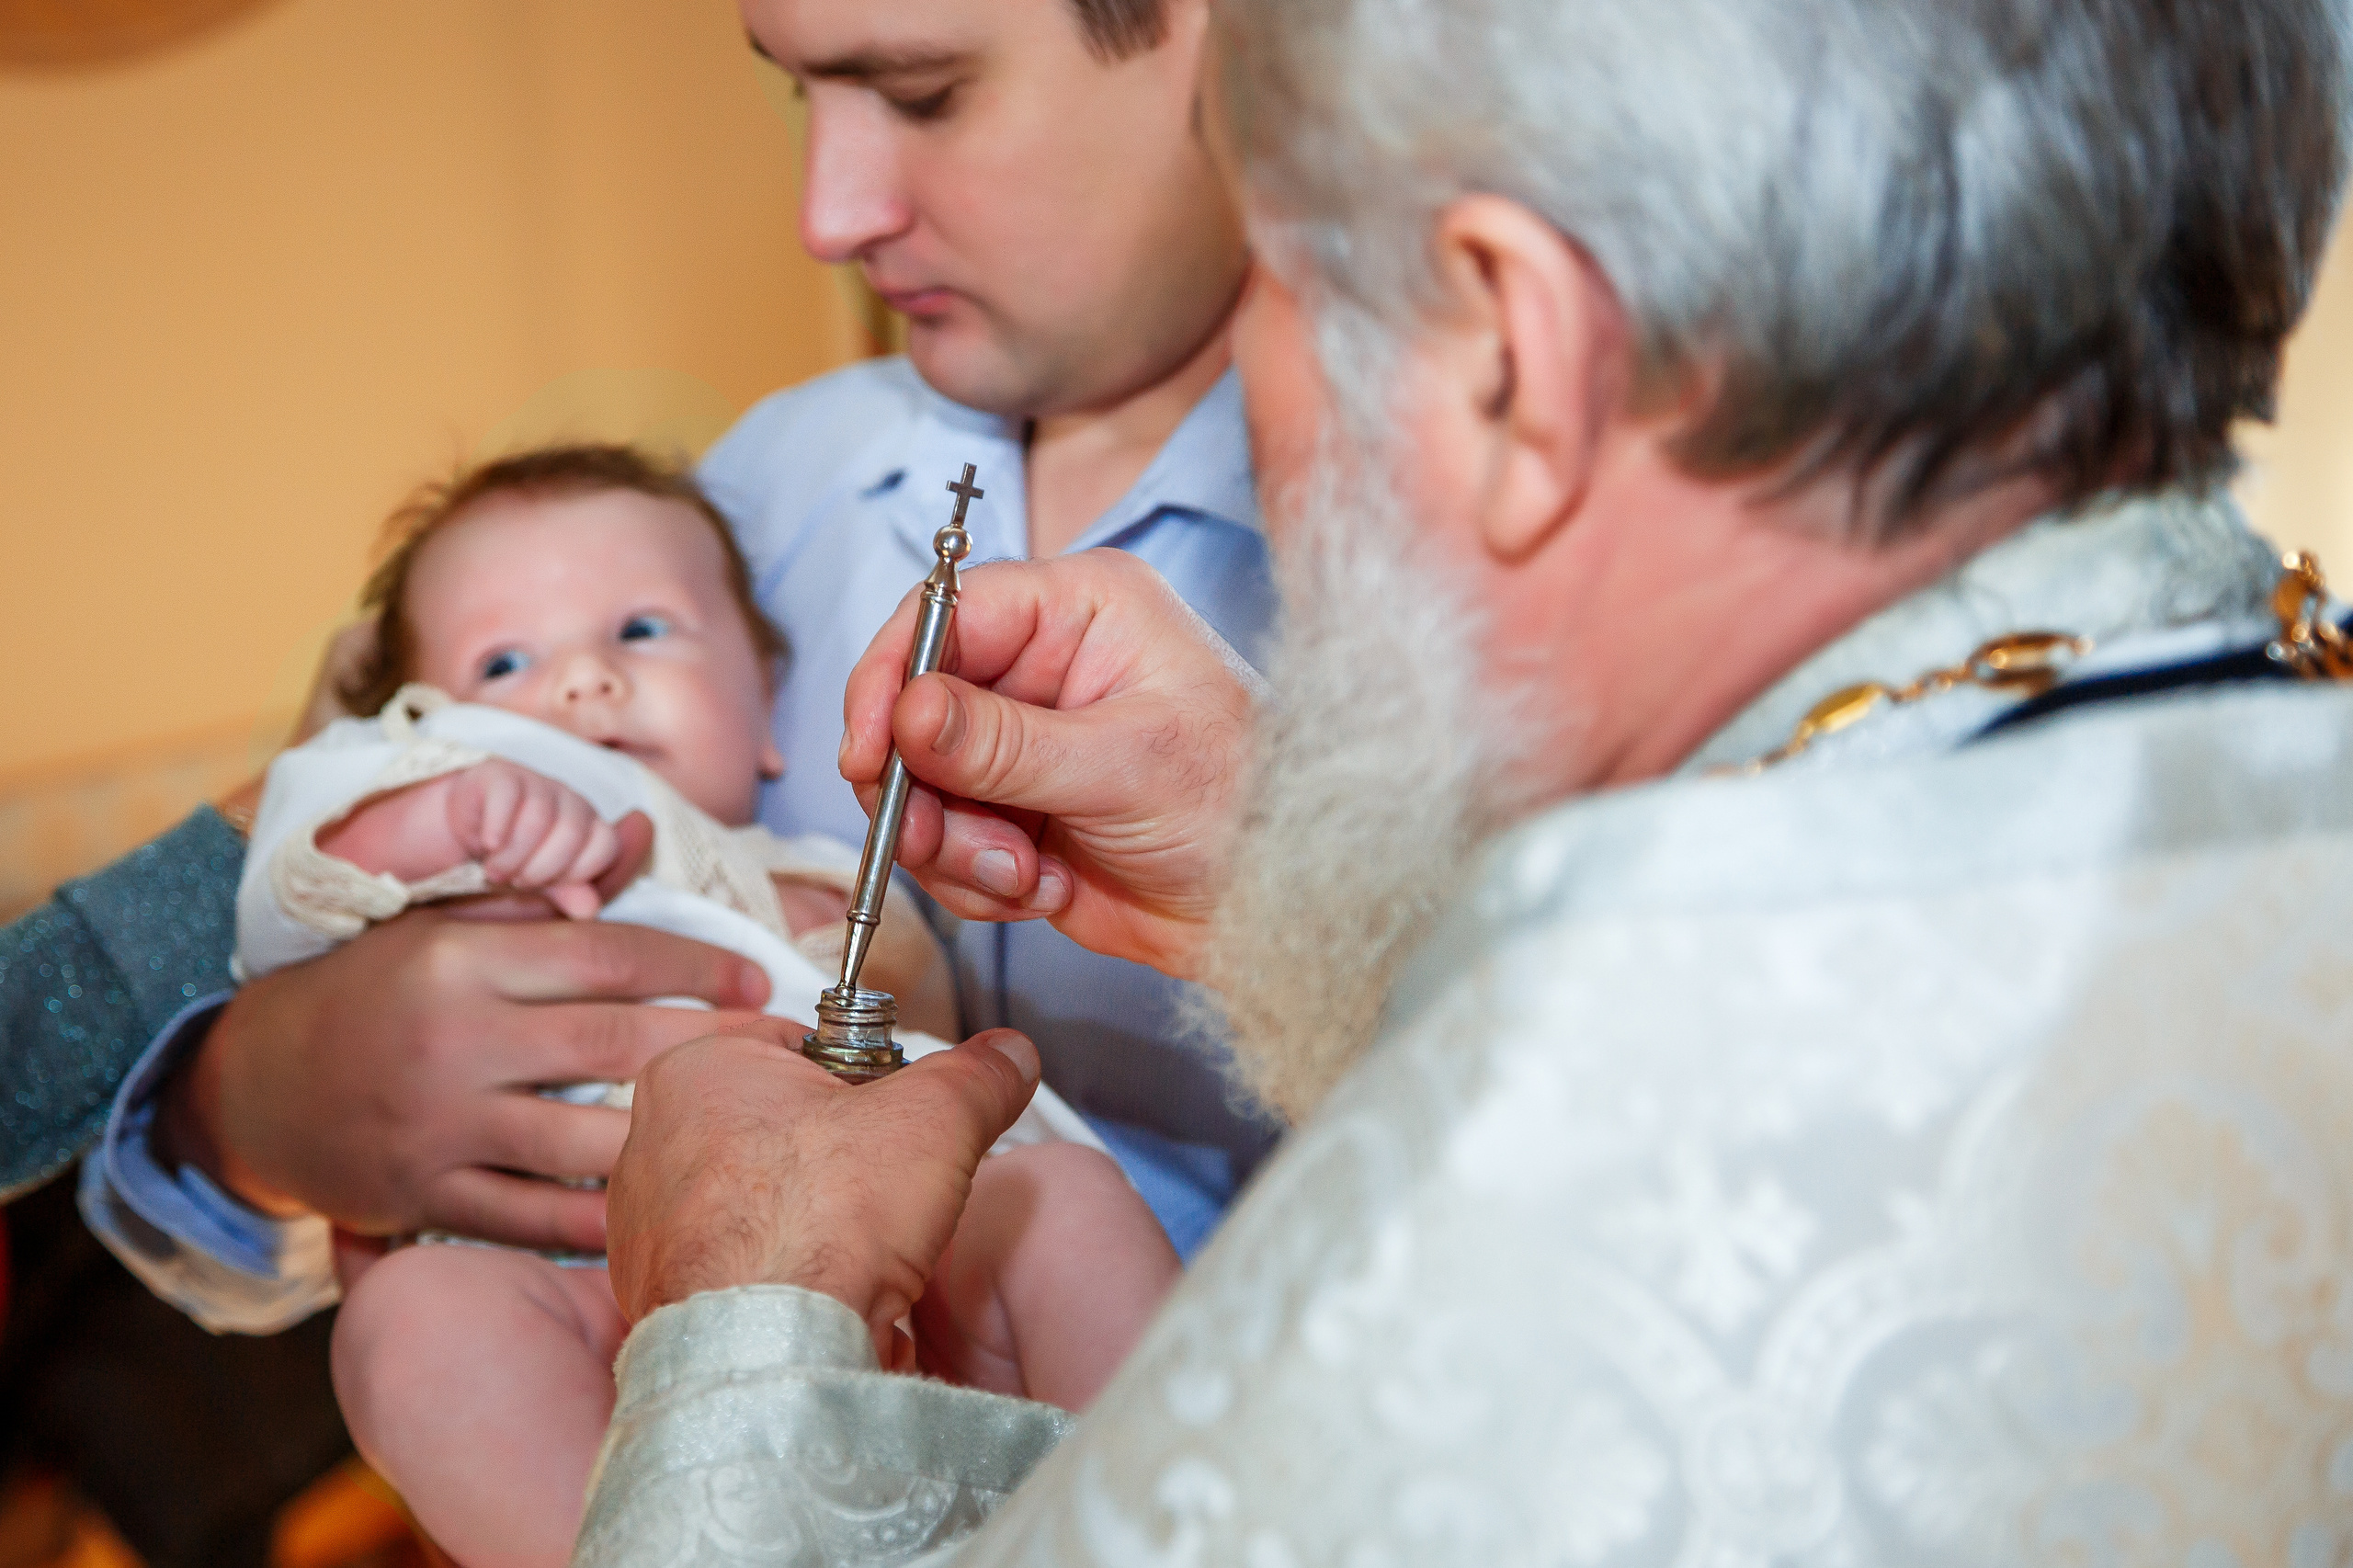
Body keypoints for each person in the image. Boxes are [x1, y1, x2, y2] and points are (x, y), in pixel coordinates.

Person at [576, 0, 2353, 1560]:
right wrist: (1326, 916)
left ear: (1513, 355)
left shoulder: (1516, 1241)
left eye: (1276, 273)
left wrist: (756, 1324)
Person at [37, 0, 1275, 1337]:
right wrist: (252, 1104)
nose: (828, 217)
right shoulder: (731, 510)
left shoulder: (1448, 566)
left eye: (922, 93)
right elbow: (198, 951)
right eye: (801, 96)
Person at [216, 444, 1177, 1565]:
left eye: (641, 629)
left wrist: (831, 930)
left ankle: (1170, 1512)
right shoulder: (442, 859)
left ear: (766, 711)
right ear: (418, 729)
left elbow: (919, 1014)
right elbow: (288, 896)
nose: (584, 681)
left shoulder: (821, 866)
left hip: (887, 1251)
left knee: (1066, 1200)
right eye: (506, 659)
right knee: (411, 1317)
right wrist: (428, 821)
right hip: (568, 1274)